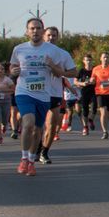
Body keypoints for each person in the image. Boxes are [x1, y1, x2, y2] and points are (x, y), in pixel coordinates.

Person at [9, 17, 76, 176]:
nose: (35, 31)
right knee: (28, 123)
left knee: (38, 129)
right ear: (27, 31)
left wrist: (52, 66)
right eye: (32, 28)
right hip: (24, 92)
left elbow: (68, 72)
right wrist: (13, 71)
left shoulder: (53, 51)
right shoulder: (19, 49)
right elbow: (12, 66)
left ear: (42, 31)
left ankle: (32, 161)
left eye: (38, 28)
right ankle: (24, 159)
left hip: (44, 95)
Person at [37, 26, 76, 164]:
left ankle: (44, 152)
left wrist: (60, 72)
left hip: (54, 93)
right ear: (43, 36)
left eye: (54, 35)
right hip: (37, 93)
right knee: (37, 125)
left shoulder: (63, 54)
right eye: (48, 35)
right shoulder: (34, 51)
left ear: (57, 37)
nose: (51, 38)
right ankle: (37, 146)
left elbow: (74, 72)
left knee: (51, 125)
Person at [90, 52, 109, 140]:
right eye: (104, 57)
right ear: (100, 59)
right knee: (103, 112)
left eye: (107, 57)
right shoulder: (96, 69)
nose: (106, 59)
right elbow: (93, 79)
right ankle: (105, 131)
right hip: (100, 93)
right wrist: (92, 80)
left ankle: (105, 124)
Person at [0, 62, 15, 144]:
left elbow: (13, 90)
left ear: (4, 71)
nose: (0, 70)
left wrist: (2, 90)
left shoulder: (8, 80)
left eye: (2, 69)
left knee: (5, 119)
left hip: (6, 101)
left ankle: (4, 125)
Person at [74, 54, 97, 135]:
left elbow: (100, 79)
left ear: (92, 61)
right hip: (84, 92)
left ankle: (91, 120)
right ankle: (85, 127)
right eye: (87, 60)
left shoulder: (95, 69)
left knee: (94, 108)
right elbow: (75, 82)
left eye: (90, 60)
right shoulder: (81, 71)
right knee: (85, 111)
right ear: (84, 61)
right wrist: (82, 83)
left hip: (94, 91)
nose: (88, 62)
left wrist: (95, 82)